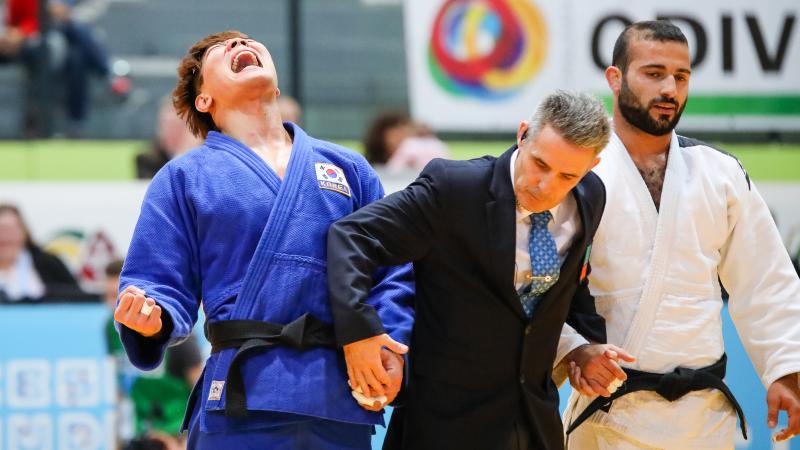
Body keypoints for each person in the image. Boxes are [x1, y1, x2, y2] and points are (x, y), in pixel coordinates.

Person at [113, 31, 414, 449]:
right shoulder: (184, 177)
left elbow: (392, 270)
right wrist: (151, 314)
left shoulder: (347, 168)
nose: (240, 45)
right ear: (204, 100)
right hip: (241, 397)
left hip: (336, 393)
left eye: (248, 41)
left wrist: (389, 344)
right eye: (224, 48)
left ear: (276, 84)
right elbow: (156, 281)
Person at [328, 91, 629, 449]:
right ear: (522, 135)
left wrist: (584, 346)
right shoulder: (454, 189)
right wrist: (359, 332)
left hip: (535, 423)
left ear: (590, 167)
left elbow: (566, 286)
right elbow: (352, 236)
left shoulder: (591, 196)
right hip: (443, 426)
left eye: (567, 176)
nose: (546, 186)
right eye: (540, 164)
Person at [561, 20, 800, 449]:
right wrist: (573, 349)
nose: (670, 88)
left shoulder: (719, 172)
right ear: (615, 79)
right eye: (654, 74)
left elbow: (765, 278)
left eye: (681, 76)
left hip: (704, 417)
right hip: (611, 413)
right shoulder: (578, 172)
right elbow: (534, 282)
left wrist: (785, 368)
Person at [0, 203, 81, 302]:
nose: (4, 237)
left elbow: (78, 300)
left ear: (24, 233)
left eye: (10, 230)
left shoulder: (50, 264)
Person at [136, 97, 202, 179]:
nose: (169, 131)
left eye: (176, 126)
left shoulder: (204, 159)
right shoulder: (146, 160)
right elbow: (162, 188)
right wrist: (182, 155)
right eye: (166, 124)